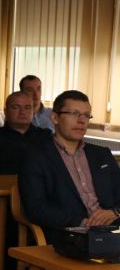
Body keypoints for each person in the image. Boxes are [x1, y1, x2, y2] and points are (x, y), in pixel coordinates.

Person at [19, 90, 120, 239]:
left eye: (86, 115)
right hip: (70, 233)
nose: (81, 120)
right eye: (74, 113)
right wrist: (83, 223)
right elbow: (36, 208)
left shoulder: (101, 154)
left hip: (112, 228)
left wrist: (115, 212)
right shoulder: (36, 157)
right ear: (55, 118)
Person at [0, 91, 50, 175]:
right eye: (15, 107)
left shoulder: (45, 136)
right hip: (1, 186)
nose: (22, 112)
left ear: (33, 111)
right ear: (6, 112)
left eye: (27, 108)